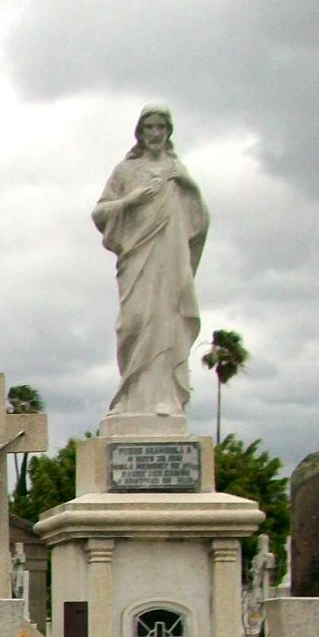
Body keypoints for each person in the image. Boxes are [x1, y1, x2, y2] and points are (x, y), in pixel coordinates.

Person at [93, 104, 208, 420]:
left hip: (169, 259)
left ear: (168, 131)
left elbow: (198, 221)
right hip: (136, 257)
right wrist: (131, 200)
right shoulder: (125, 171)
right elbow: (100, 213)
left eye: (161, 127)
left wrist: (189, 186)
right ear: (140, 132)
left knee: (166, 321)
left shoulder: (177, 172)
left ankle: (166, 397)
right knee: (133, 322)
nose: (155, 133)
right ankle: (129, 396)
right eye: (149, 127)